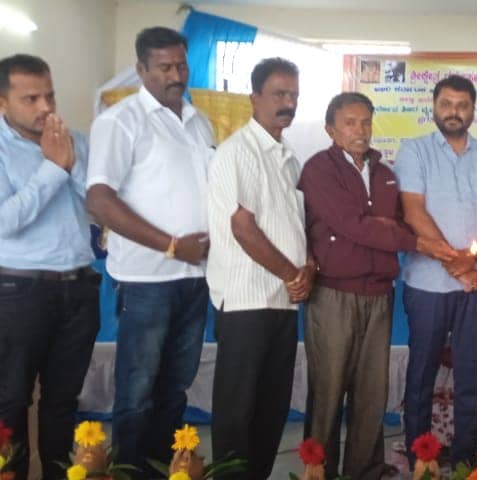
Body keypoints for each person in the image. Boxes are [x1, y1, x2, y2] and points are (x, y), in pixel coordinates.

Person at [298, 92, 456, 480]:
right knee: (329, 388)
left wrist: (386, 230)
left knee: (372, 390)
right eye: (350, 123)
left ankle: (365, 469)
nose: (360, 130)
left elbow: (396, 223)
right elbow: (353, 225)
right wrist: (408, 240)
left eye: (366, 122)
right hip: (333, 294)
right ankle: (318, 469)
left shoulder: (385, 174)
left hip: (379, 293)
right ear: (331, 130)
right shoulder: (319, 169)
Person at [86, 26, 213, 475]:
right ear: (140, 70)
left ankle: (163, 469)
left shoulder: (199, 121)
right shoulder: (121, 121)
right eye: (163, 67)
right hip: (147, 282)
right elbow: (100, 200)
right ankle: (130, 472)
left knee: (175, 389)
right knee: (137, 392)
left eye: (181, 65)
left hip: (195, 279)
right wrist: (172, 246)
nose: (175, 75)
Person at [206, 57, 313, 479]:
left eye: (294, 95)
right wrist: (292, 274)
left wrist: (306, 268)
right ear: (254, 98)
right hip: (246, 301)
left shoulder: (288, 158)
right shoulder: (239, 152)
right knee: (238, 410)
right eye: (279, 94)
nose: (288, 103)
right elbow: (243, 226)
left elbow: (294, 228)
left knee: (271, 408)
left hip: (282, 302)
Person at [395, 74, 477, 466]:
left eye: (462, 105)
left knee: (470, 375)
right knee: (421, 374)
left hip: (476, 285)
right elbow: (413, 213)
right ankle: (419, 459)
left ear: (473, 110)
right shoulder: (414, 152)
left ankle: (464, 459)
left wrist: (469, 261)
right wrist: (458, 266)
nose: (453, 112)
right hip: (427, 284)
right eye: (446, 104)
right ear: (434, 106)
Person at [0, 53, 99, 480]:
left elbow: (99, 205)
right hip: (18, 292)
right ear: (3, 102)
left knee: (63, 402)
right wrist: (53, 168)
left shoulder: (73, 140)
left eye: (50, 96)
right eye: (31, 99)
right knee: (10, 400)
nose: (45, 107)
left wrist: (69, 161)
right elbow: (5, 221)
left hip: (79, 288)